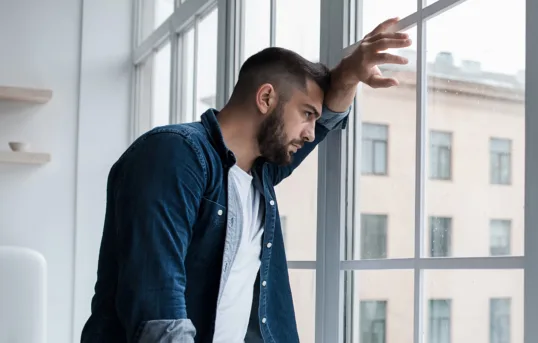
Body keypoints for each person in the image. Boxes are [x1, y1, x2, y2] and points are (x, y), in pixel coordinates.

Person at [80, 17, 411, 343]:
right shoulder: (174, 154)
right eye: (307, 113)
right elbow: (157, 306)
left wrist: (350, 73)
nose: (311, 134)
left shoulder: (260, 173)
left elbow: (328, 121)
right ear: (265, 98)